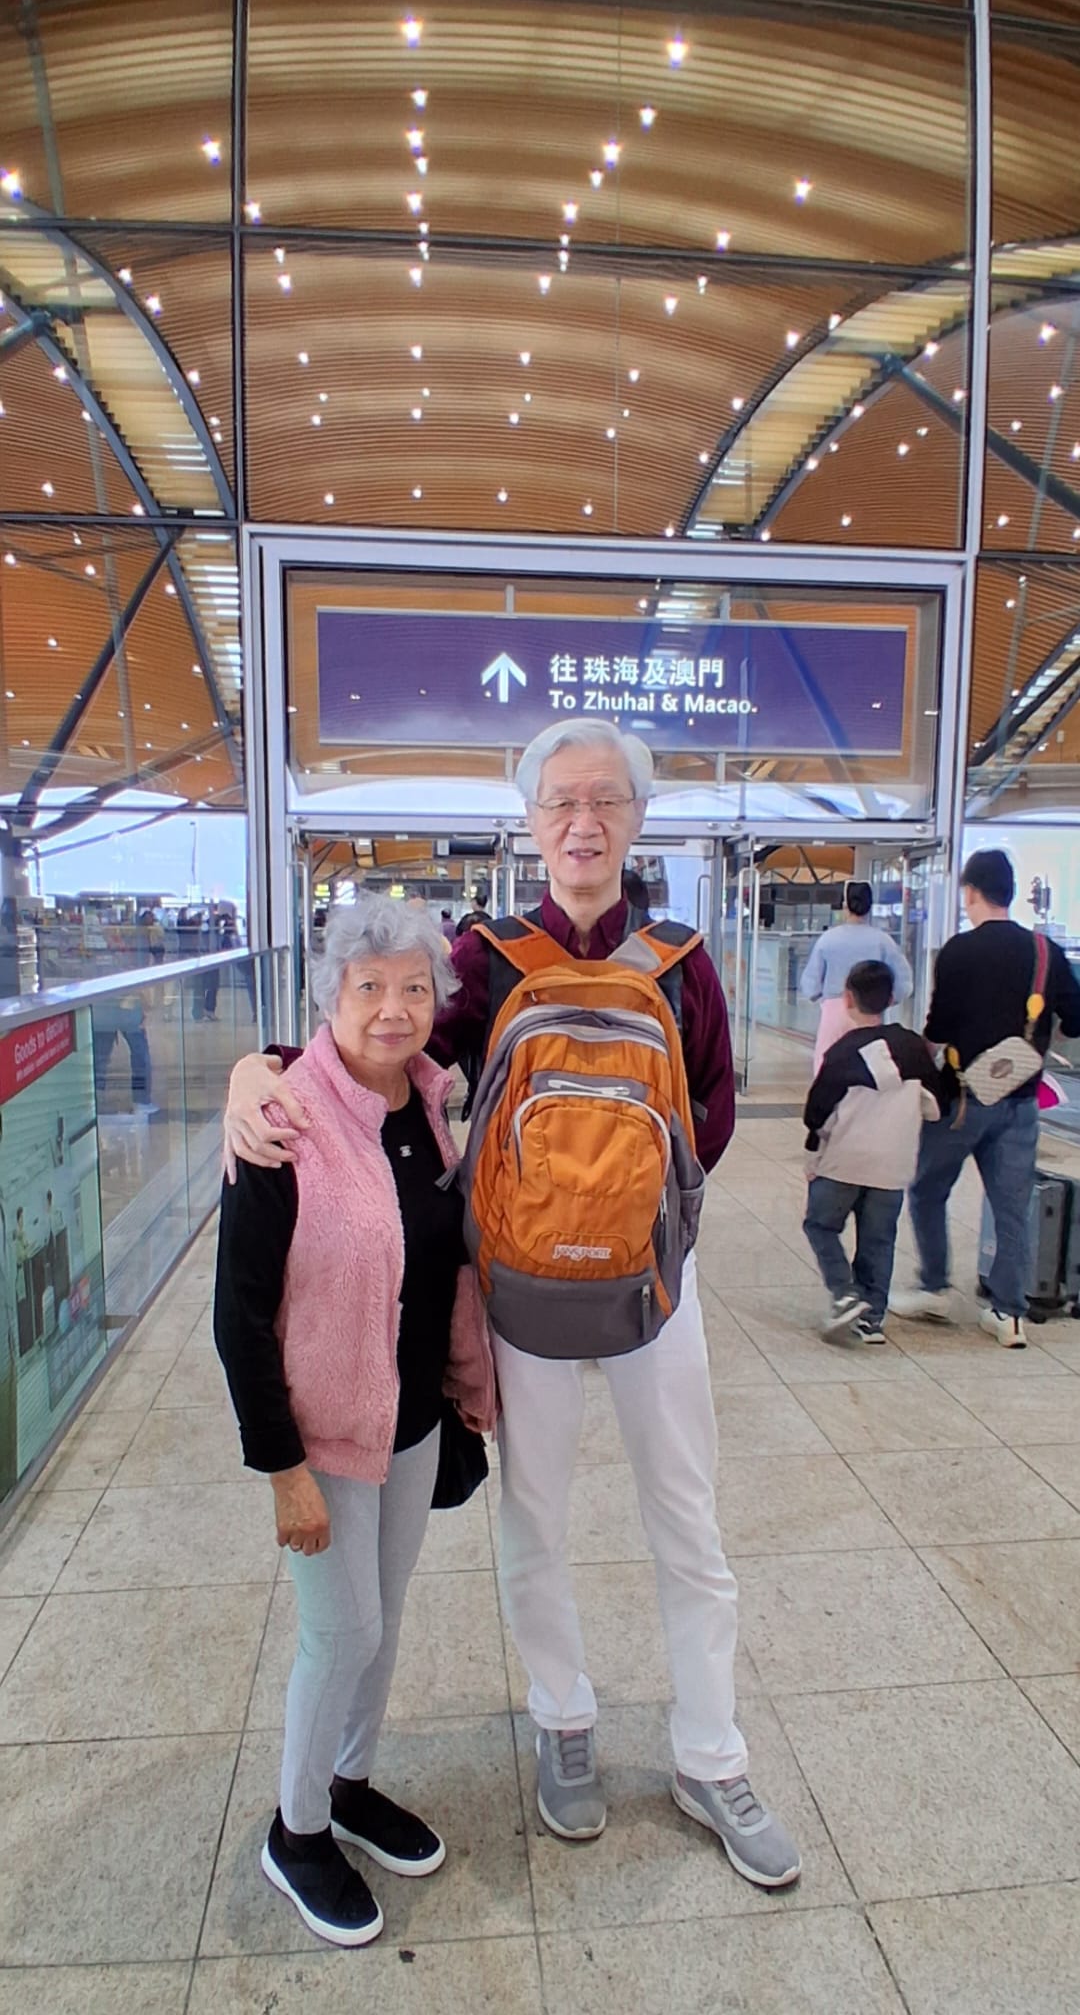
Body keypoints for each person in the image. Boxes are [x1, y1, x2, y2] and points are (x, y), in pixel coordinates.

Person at [224, 718, 800, 1891]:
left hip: (651, 1282)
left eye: (605, 800)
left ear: (635, 818)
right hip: (523, 1286)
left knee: (687, 1517)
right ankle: (563, 1715)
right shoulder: (485, 958)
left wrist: (629, 1215)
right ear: (532, 822)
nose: (583, 822)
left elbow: (713, 1110)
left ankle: (712, 1753)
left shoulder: (683, 960)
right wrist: (262, 1067)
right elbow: (379, 1048)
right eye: (560, 802)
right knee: (533, 1511)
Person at [213, 896, 496, 1947]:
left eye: (414, 987)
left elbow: (443, 1258)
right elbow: (239, 1312)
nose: (393, 1008)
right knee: (344, 1630)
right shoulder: (283, 1117)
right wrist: (282, 1468)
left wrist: (469, 1384)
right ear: (330, 994)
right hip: (324, 1433)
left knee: (386, 1612)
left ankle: (350, 1781)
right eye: (368, 986)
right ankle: (296, 1831)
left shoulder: (427, 1101)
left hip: (412, 1419)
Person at [892, 848, 1080, 1347]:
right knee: (1011, 1206)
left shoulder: (959, 951)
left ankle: (934, 1287)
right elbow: (1076, 1019)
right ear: (1011, 893)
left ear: (971, 892)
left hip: (961, 1100)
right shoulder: (1045, 952)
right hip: (1021, 1100)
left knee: (928, 1189)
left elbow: (938, 1029)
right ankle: (1008, 1312)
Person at [803, 960, 944, 1346]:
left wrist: (813, 1153)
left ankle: (844, 1293)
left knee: (820, 1225)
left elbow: (816, 1114)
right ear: (891, 999)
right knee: (878, 1241)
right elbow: (936, 1105)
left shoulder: (842, 1053)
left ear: (848, 998)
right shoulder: (914, 1049)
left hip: (843, 1162)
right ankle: (872, 1320)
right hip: (893, 1166)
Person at [799, 882, 913, 1073]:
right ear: (870, 906)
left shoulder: (828, 939)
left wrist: (823, 998)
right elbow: (903, 984)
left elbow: (811, 984)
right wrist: (885, 1000)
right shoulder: (883, 941)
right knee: (871, 1066)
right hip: (871, 1010)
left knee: (827, 1066)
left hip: (834, 1011)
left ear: (845, 905)